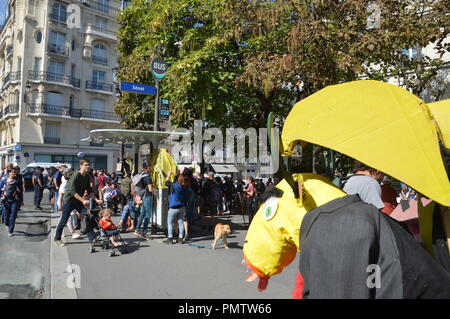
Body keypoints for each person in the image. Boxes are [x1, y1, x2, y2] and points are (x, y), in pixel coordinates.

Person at [54, 159, 103, 250]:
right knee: (64, 220)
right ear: (81, 166)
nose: (88, 166)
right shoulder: (76, 175)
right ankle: (57, 238)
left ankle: (92, 239)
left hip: (77, 201)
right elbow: (72, 191)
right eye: (86, 165)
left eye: (88, 165)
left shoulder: (87, 176)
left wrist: (96, 199)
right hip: (69, 201)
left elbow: (89, 191)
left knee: (86, 216)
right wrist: (83, 200)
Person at [164, 172, 189, 244]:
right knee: (181, 222)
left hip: (173, 207)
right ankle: (181, 238)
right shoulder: (185, 187)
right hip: (182, 207)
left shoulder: (174, 186)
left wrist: (168, 175)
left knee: (170, 223)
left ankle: (170, 238)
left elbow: (166, 182)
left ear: (178, 180)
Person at [57, 168, 81, 239]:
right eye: (71, 174)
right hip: (64, 203)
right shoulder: (64, 184)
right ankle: (72, 233)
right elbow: (60, 196)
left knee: (64, 220)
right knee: (67, 219)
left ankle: (60, 233)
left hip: (69, 203)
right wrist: (60, 206)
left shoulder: (69, 182)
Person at [134, 163, 154, 239]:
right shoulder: (148, 177)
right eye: (150, 167)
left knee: (143, 212)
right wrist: (155, 193)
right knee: (148, 213)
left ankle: (137, 229)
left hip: (143, 195)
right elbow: (150, 189)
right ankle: (144, 232)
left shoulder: (141, 175)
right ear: (147, 168)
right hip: (148, 196)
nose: (150, 169)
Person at [1, 168, 21, 237]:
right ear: (9, 173)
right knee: (6, 217)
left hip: (14, 201)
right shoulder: (4, 180)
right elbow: (0, 189)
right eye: (12, 172)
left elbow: (20, 191)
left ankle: (10, 231)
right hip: (5, 201)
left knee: (13, 216)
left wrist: (21, 200)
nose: (13, 173)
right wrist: (1, 198)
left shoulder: (16, 181)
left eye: (14, 172)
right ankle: (7, 224)